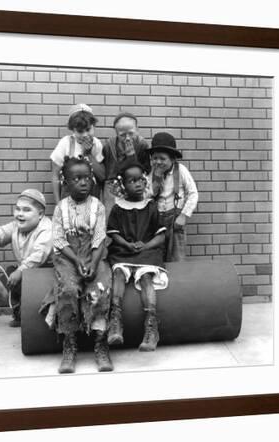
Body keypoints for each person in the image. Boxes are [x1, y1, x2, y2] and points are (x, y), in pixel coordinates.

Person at [42, 156, 113, 374]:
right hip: (68, 256)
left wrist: (92, 261)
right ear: (66, 183)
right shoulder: (61, 208)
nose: (83, 183)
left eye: (87, 178)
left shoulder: (97, 206)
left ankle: (100, 343)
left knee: (99, 290)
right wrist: (77, 260)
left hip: (94, 254)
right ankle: (69, 344)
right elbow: (59, 240)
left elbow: (100, 236)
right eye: (77, 179)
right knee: (68, 291)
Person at [106, 159, 169, 350]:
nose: (138, 183)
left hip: (147, 252)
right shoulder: (118, 208)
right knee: (117, 273)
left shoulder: (150, 207)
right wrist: (127, 244)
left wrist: (146, 245)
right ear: (123, 185)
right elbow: (113, 233)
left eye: (141, 179)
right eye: (132, 181)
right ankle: (115, 321)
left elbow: (161, 236)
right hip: (124, 251)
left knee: (146, 277)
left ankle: (151, 327)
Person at [0, 189, 53, 327]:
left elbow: (38, 256)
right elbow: (4, 231)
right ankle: (19, 313)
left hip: (44, 275)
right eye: (17, 209)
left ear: (40, 214)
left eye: (27, 210)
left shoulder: (47, 228)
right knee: (3, 285)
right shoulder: (17, 226)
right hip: (25, 273)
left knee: (36, 295)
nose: (20, 214)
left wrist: (21, 271)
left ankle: (33, 316)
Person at [146, 132, 198, 262]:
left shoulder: (181, 171)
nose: (158, 162)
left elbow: (193, 193)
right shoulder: (151, 173)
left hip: (175, 220)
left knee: (177, 257)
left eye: (162, 159)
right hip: (157, 220)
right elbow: (147, 195)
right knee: (157, 255)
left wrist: (184, 216)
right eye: (155, 158)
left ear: (173, 159)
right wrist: (156, 179)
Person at [50, 104, 105, 204]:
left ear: (94, 127)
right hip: (69, 201)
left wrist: (89, 154)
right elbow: (55, 175)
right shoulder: (66, 143)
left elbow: (102, 176)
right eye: (80, 131)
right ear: (73, 129)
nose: (85, 135)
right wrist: (58, 204)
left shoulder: (97, 144)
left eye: (88, 129)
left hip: (92, 200)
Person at [96, 112, 151, 214]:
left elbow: (146, 170)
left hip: (135, 184)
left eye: (131, 133)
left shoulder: (142, 145)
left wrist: (132, 157)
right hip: (112, 186)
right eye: (122, 135)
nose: (127, 138)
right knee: (111, 217)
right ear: (116, 133)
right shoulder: (109, 146)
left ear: (137, 129)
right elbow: (105, 171)